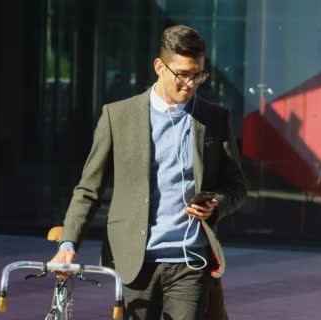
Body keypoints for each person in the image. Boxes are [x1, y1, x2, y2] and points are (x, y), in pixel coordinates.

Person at [50, 24, 246, 320]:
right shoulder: (117, 116)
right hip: (133, 262)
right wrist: (68, 245)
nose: (190, 84)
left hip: (189, 260)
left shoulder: (215, 119)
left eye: (198, 75)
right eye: (182, 74)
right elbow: (88, 189)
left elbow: (237, 185)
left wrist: (217, 203)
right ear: (159, 66)